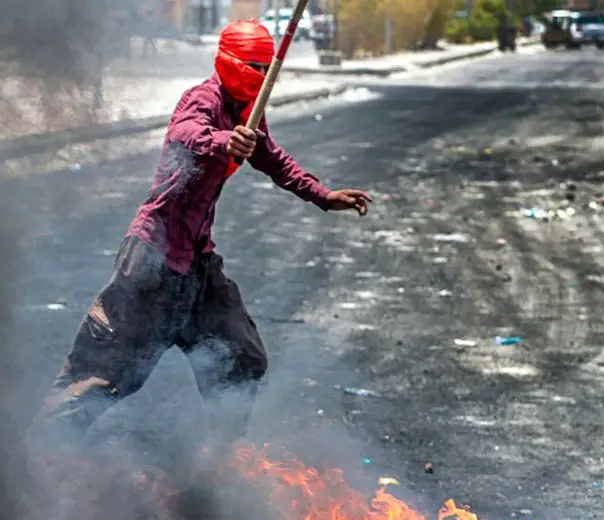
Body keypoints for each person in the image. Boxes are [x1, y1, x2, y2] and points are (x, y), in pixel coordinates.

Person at [29, 19, 371, 451]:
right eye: (254, 66)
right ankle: (36, 456)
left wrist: (322, 195)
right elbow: (184, 132)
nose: (262, 77)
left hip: (197, 265)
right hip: (153, 259)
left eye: (268, 69)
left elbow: (274, 158)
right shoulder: (202, 99)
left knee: (243, 359)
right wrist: (225, 141)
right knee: (102, 377)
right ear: (230, 63)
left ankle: (217, 465)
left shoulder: (249, 109)